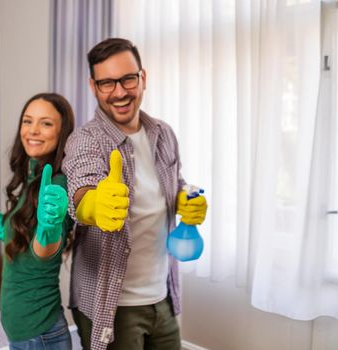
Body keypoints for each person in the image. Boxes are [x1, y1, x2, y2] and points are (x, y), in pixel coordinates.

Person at [62, 38, 208, 350]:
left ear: (143, 77)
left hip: (162, 295)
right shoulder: (85, 140)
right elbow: (81, 186)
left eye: (128, 78)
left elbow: (175, 183)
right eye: (106, 83)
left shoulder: (163, 133)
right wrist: (93, 205)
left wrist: (187, 201)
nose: (119, 92)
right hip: (112, 305)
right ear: (93, 86)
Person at [0, 93, 75, 350]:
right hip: (26, 331)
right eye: (27, 121)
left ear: (62, 133)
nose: (33, 130)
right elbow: (19, 235)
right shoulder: (33, 177)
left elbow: (43, 253)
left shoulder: (57, 185)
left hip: (41, 335)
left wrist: (49, 231)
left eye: (46, 123)